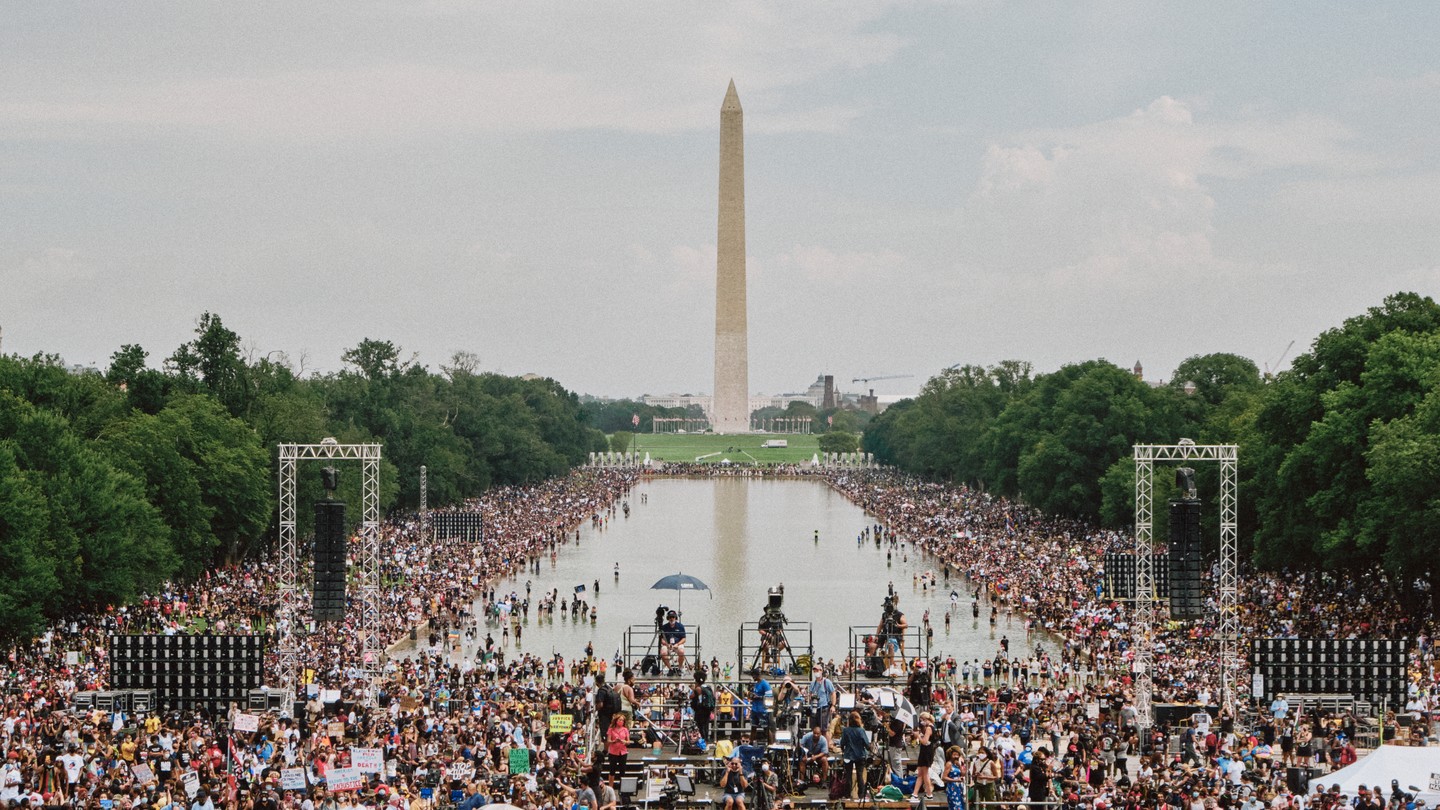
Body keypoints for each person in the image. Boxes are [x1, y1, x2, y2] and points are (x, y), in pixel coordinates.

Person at [840, 712, 871, 801]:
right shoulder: (861, 730)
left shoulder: (846, 730)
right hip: (860, 755)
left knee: (848, 775)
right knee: (860, 775)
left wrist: (843, 750)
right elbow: (866, 744)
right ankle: (861, 795)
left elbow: (842, 743)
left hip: (848, 755)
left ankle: (847, 795)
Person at [913, 712, 938, 800]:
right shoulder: (931, 727)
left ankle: (929, 793)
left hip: (927, 751)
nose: (921, 722)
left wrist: (918, 736)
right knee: (920, 772)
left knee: (925, 773)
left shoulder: (929, 728)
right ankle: (915, 793)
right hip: (925, 750)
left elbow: (924, 741)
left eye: (922, 720)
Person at [605, 715, 630, 787]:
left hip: (623, 751)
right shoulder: (611, 729)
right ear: (616, 721)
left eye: (622, 720)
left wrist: (624, 741)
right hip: (613, 751)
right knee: (612, 770)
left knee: (622, 770)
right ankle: (610, 786)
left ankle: (622, 786)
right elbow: (608, 741)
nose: (621, 721)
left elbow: (628, 741)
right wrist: (614, 741)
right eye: (619, 720)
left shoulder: (625, 729)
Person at [691, 671, 715, 743]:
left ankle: (702, 740)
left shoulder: (698, 689)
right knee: (706, 725)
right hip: (707, 709)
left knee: (699, 726)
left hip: (700, 709)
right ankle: (705, 740)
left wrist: (694, 689)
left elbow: (692, 696)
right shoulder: (708, 687)